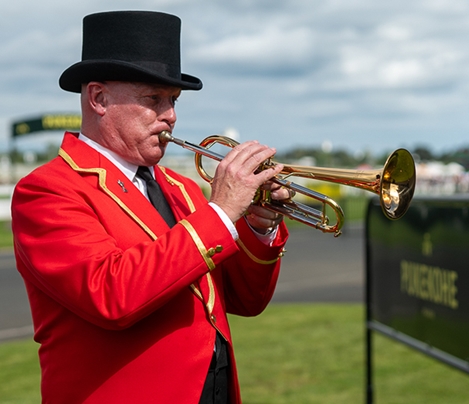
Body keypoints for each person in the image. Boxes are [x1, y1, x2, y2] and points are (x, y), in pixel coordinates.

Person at [11, 11, 290, 404]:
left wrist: (259, 225)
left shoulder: (183, 189)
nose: (171, 116)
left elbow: (245, 301)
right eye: (153, 99)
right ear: (99, 98)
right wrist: (222, 212)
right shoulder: (47, 191)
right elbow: (111, 295)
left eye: (173, 101)